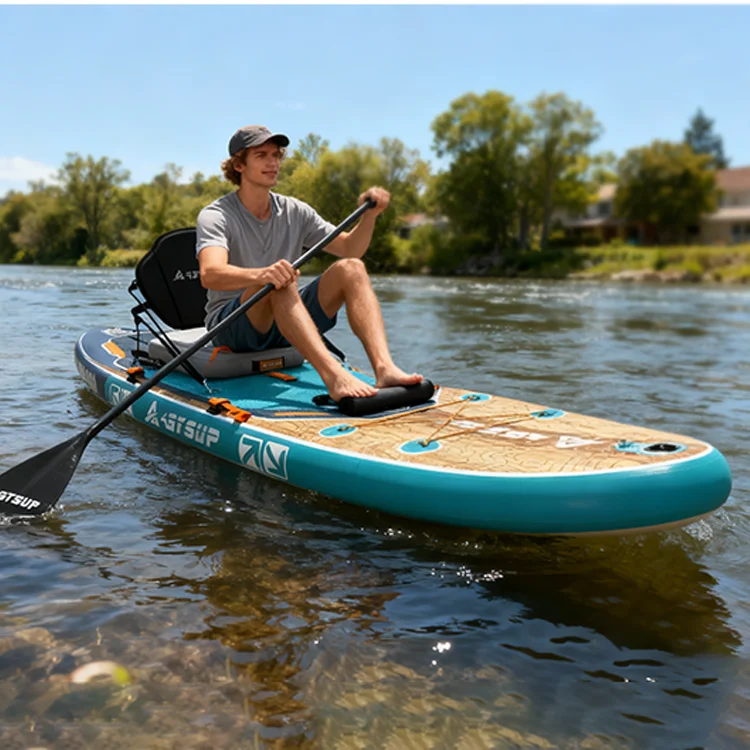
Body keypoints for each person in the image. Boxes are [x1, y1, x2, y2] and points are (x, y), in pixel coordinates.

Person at [196, 125, 423, 402]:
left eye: (277, 155)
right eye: (262, 155)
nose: (273, 162)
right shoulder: (216, 215)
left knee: (351, 268)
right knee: (279, 281)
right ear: (239, 165)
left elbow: (350, 248)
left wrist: (370, 216)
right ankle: (334, 377)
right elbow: (211, 274)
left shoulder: (295, 210)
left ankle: (384, 368)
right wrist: (264, 274)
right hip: (232, 327)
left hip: (285, 314)